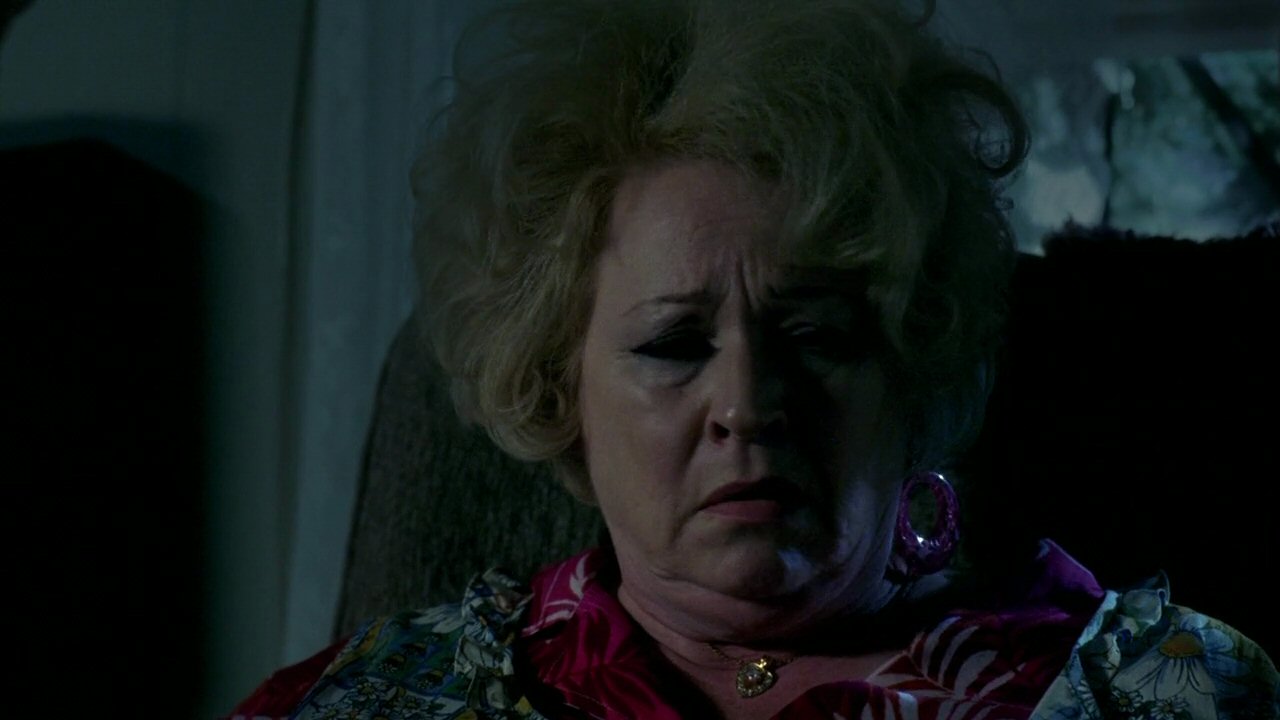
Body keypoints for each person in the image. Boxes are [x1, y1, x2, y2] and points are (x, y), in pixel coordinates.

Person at [232, 0, 1278, 717]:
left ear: (912, 367)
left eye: (814, 335)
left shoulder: (1156, 690)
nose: (747, 402)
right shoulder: (383, 699)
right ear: (560, 387)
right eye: (671, 345)